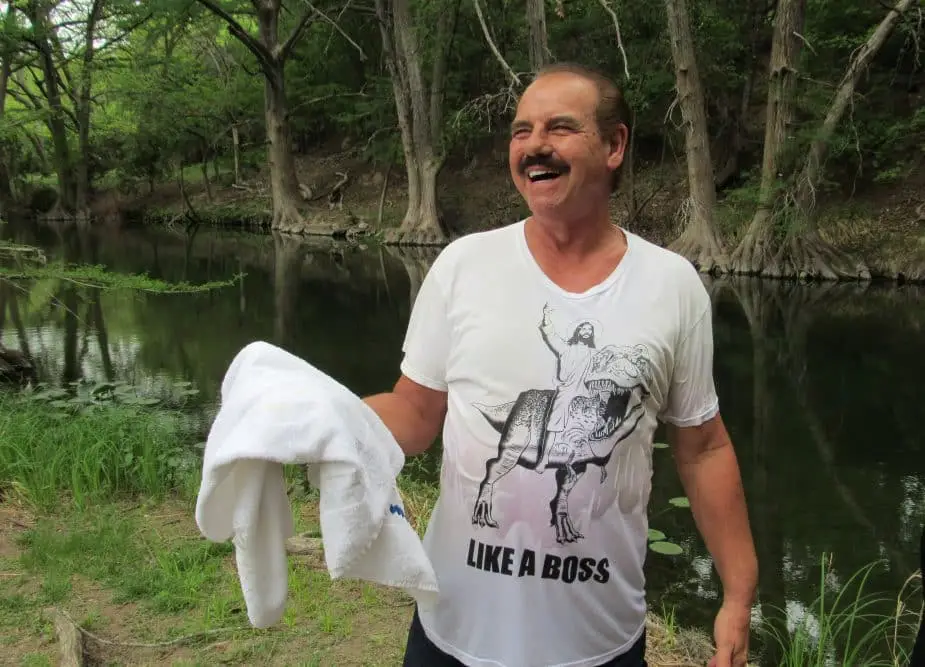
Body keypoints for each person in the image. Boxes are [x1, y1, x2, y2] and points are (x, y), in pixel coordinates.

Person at [364, 62, 758, 667]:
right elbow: (414, 415)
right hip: (453, 636)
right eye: (521, 131)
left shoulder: (672, 286)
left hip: (599, 645)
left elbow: (703, 448)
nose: (534, 145)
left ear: (615, 145)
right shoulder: (463, 266)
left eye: (560, 127)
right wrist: (325, 419)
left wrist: (738, 592)